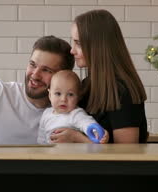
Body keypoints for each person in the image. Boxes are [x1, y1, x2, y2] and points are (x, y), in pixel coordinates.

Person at [50, 9, 148, 144]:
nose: (72, 50)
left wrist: (76, 138)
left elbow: (127, 154)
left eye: (78, 43)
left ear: (97, 46)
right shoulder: (86, 85)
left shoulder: (123, 91)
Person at [37, 70, 108, 144]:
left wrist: (97, 132)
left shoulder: (76, 114)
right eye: (58, 93)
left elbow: (87, 124)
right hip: (50, 154)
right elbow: (41, 138)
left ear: (79, 97)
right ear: (50, 95)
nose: (63, 99)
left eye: (70, 94)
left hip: (72, 154)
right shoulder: (46, 113)